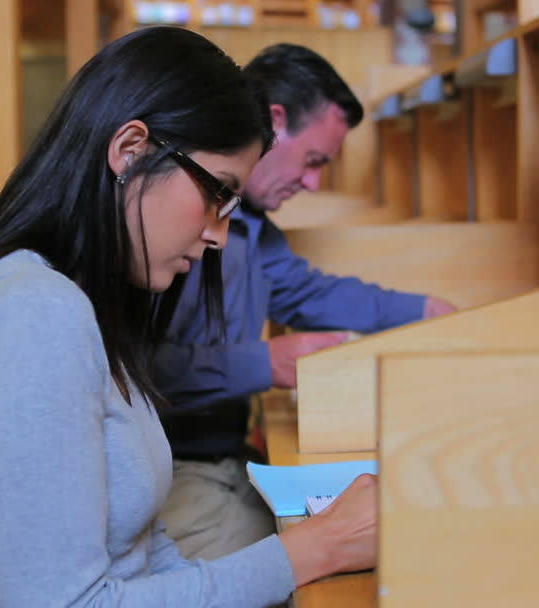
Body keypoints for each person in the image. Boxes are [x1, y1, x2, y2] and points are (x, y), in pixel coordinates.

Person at [0, 27, 376, 608]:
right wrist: (318, 548)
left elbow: (140, 548)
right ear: (131, 150)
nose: (219, 237)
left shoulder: (77, 299)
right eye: (217, 195)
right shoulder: (33, 316)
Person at [156, 44, 457, 560]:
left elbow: (309, 293)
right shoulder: (177, 223)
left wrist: (425, 310)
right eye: (313, 161)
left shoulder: (253, 229)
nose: (313, 183)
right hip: (176, 468)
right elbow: (133, 368)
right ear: (274, 122)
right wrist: (264, 363)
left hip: (221, 457)